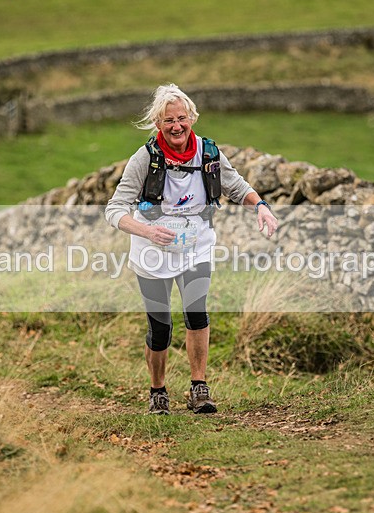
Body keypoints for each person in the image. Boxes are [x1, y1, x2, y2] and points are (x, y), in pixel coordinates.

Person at [105, 84, 278, 415]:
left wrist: (261, 207)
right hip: (152, 251)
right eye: (169, 120)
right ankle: (158, 391)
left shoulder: (208, 154)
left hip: (196, 247)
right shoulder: (144, 159)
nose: (176, 126)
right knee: (161, 328)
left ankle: (199, 388)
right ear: (158, 123)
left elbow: (237, 187)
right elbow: (114, 209)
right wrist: (147, 231)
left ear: (192, 118)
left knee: (196, 313)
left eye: (181, 118)